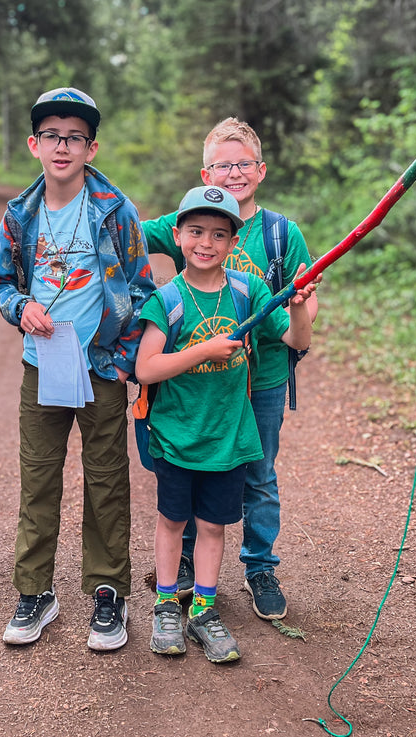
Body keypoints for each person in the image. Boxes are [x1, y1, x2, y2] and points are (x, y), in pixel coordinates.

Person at [0, 86, 156, 651]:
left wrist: (119, 359)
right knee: (38, 481)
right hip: (42, 368)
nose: (63, 146)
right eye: (52, 136)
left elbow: (141, 287)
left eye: (75, 137)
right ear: (35, 145)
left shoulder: (115, 211)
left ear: (91, 147)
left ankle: (108, 592)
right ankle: (35, 591)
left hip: (100, 371)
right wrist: (20, 308)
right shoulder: (19, 215)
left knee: (106, 482)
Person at [142, 117, 318, 621]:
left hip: (258, 379)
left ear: (260, 171)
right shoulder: (185, 224)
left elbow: (302, 307)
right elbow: (125, 232)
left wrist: (302, 306)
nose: (234, 173)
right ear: (205, 172)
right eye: (223, 164)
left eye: (243, 164)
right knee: (193, 473)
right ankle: (187, 575)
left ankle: (259, 567)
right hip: (196, 381)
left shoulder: (282, 234)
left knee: (257, 474)